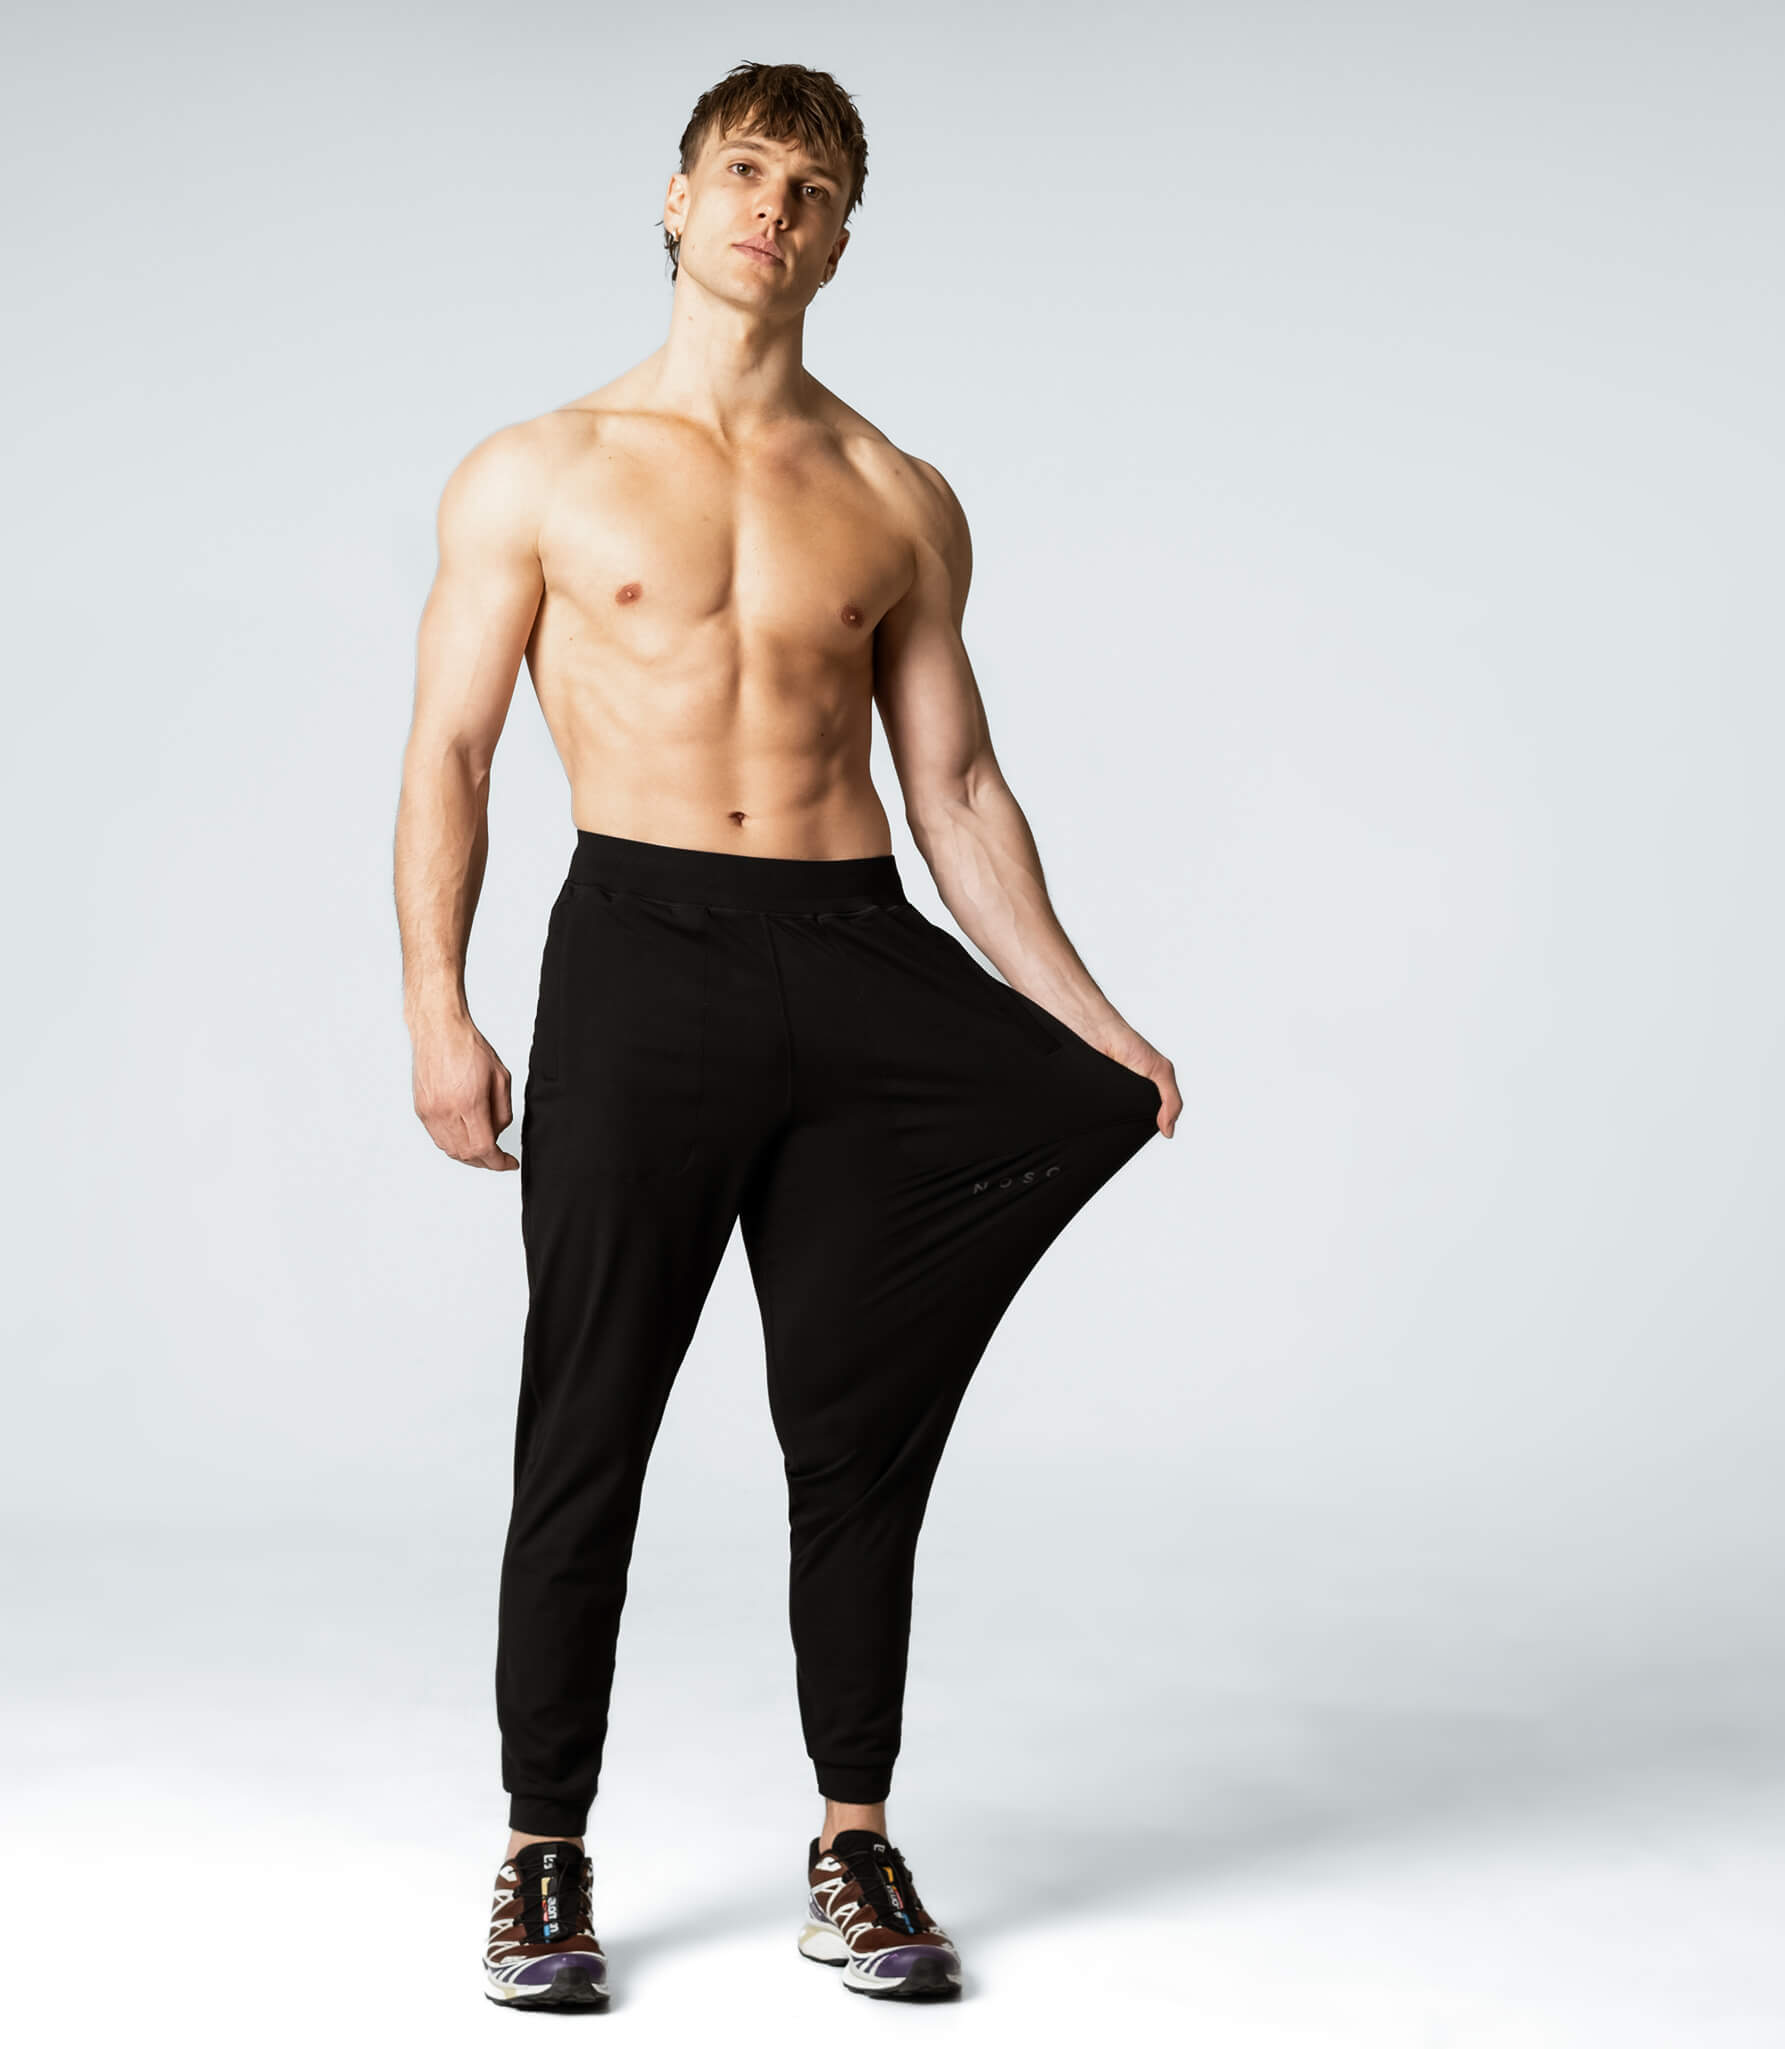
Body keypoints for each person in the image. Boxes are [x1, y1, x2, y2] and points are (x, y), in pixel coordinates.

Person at [391, 59, 1182, 2010]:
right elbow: (453, 753)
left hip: (852, 957)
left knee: (856, 1434)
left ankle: (852, 1837)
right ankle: (540, 1852)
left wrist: (1091, 1019)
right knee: (586, 1421)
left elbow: (957, 789)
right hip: (638, 958)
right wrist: (436, 1004)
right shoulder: (538, 469)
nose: (773, 208)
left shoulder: (895, 495)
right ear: (676, 198)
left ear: (842, 239)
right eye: (744, 170)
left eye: (812, 188)